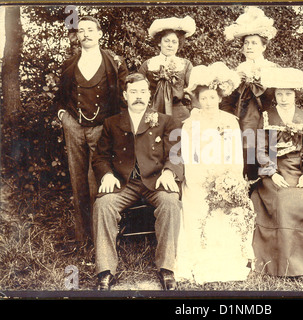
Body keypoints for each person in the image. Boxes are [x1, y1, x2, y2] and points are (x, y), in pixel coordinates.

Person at [91, 73, 183, 291]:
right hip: (124, 183)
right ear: (125, 95)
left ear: (149, 94)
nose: (138, 96)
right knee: (103, 205)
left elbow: (177, 154)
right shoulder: (112, 123)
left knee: (171, 202)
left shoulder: (166, 121)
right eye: (133, 92)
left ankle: (166, 268)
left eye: (142, 91)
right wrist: (107, 175)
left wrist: (169, 172)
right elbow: (100, 156)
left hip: (156, 180)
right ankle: (105, 271)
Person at [175, 62, 255, 284]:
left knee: (234, 203)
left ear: (220, 98)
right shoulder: (190, 124)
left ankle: (229, 258)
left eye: (212, 97)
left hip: (224, 175)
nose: (208, 102)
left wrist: (229, 180)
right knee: (197, 201)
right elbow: (188, 157)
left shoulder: (229, 121)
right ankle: (199, 258)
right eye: (204, 98)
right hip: (198, 177)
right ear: (198, 100)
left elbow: (235, 155)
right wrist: (203, 179)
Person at [251, 67, 303, 277]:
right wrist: (271, 173)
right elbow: (261, 150)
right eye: (279, 93)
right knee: (282, 202)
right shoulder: (267, 116)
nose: (284, 98)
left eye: (288, 93)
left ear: (295, 94)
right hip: (275, 170)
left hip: (298, 169)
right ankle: (280, 263)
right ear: (274, 95)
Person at [53, 16, 128, 245]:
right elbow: (59, 98)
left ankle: (103, 239)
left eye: (90, 30)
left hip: (103, 128)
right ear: (77, 36)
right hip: (74, 127)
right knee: (78, 180)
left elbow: (125, 96)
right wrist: (64, 117)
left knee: (100, 178)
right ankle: (82, 237)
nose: (85, 34)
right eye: (81, 30)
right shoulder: (69, 64)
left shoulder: (114, 62)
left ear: (99, 34)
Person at [221, 7, 278, 183]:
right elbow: (226, 103)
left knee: (263, 166)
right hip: (240, 124)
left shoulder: (272, 69)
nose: (249, 47)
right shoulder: (236, 71)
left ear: (264, 46)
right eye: (246, 43)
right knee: (242, 165)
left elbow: (276, 101)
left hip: (265, 125)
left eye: (254, 43)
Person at [138, 16, 196, 122]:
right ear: (159, 42)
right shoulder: (148, 64)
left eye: (174, 42)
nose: (170, 45)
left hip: (179, 113)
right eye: (166, 41)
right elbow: (138, 86)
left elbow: (192, 89)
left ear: (179, 45)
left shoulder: (185, 64)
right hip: (153, 112)